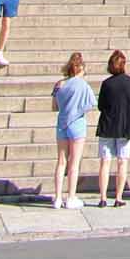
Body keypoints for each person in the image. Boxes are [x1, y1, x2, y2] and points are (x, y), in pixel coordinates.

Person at [95, 49, 130, 207]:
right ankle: (118, 197)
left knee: (105, 162)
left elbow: (100, 106)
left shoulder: (106, 84)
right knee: (122, 162)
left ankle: (103, 197)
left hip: (107, 126)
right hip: (125, 126)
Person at [51, 50, 96, 208]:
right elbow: (91, 104)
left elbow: (54, 106)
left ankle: (57, 197)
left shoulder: (60, 84)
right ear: (81, 68)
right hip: (77, 124)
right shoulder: (83, 85)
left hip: (62, 124)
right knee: (74, 163)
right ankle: (71, 197)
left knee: (61, 161)